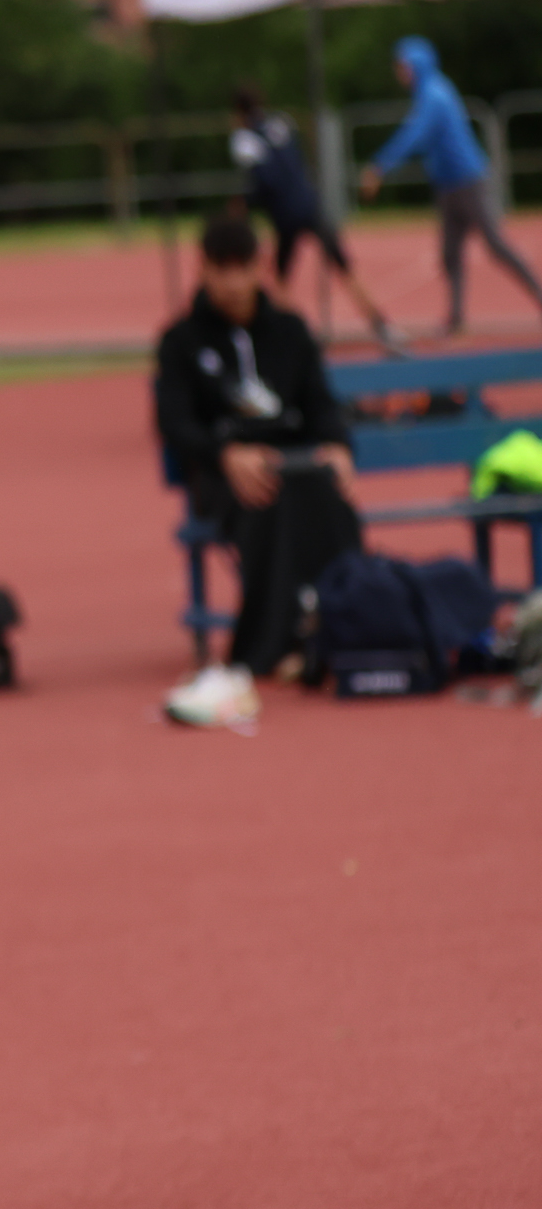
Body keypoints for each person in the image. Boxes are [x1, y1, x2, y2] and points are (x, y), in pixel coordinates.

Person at [155, 213, 359, 727]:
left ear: (259, 267)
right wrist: (224, 453)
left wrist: (337, 446)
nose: (231, 282)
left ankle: (344, 627)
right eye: (219, 269)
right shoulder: (180, 340)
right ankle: (268, 647)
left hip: (295, 464)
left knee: (328, 497)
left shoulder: (290, 331)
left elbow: (321, 403)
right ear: (203, 270)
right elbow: (174, 423)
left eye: (240, 268)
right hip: (224, 474)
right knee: (267, 494)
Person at [357, 36, 542, 335]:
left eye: (403, 66)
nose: (399, 72)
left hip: (468, 181)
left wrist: (380, 165)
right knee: (450, 253)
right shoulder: (428, 93)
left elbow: (415, 135)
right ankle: (455, 319)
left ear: (417, 65)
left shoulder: (435, 95)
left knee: (496, 246)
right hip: (447, 186)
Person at [233, 84, 397, 347]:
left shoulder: (244, 139)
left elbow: (262, 181)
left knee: (281, 279)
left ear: (237, 112)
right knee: (344, 267)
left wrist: (245, 206)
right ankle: (381, 325)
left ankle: (287, 336)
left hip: (284, 213)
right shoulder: (281, 122)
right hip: (309, 202)